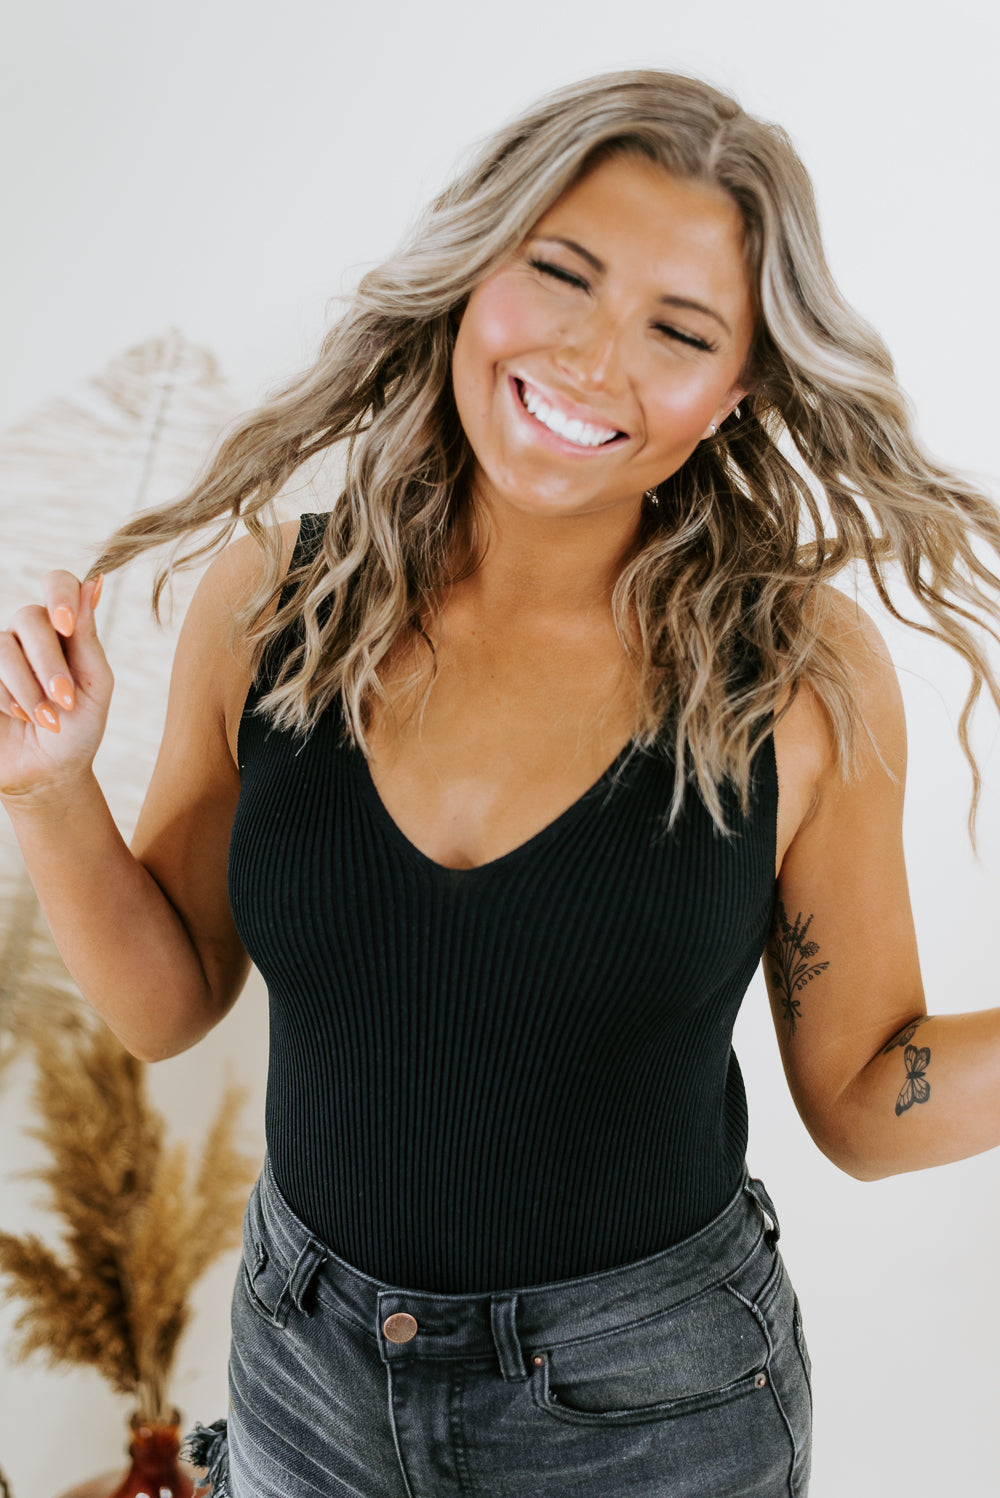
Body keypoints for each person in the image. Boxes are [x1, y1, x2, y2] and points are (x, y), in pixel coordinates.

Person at [3, 69, 1000, 1498]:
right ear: (476, 272)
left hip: (647, 1414)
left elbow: (861, 1090)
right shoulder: (278, 602)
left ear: (736, 391)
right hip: (304, 1371)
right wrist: (47, 789)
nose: (593, 360)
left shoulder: (790, 677)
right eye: (563, 276)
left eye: (679, 330)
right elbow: (169, 1002)